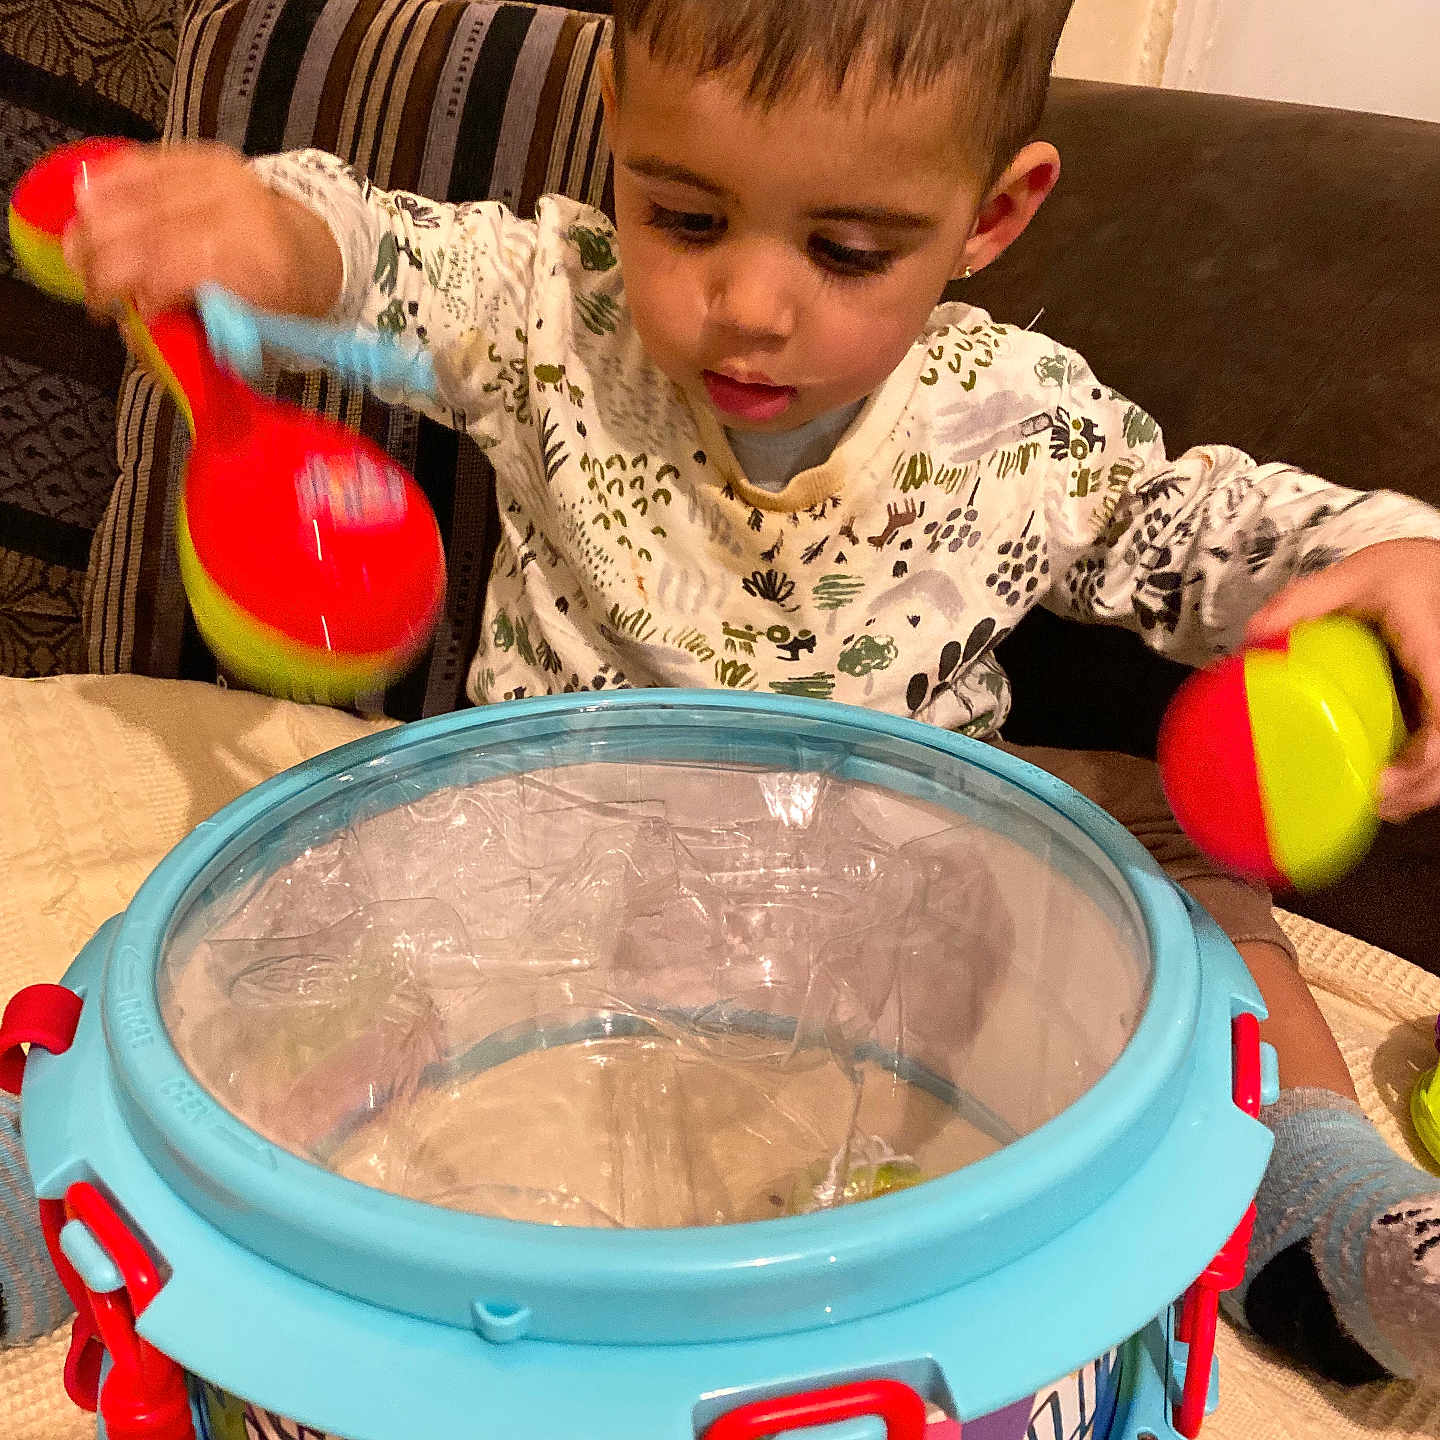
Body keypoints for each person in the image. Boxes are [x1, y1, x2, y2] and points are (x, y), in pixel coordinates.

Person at [26, 0, 1440, 1385]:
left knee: (1184, 875)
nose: (749, 309)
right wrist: (265, 233)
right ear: (616, 131)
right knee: (278, 914)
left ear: (993, 216)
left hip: (897, 917)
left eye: (846, 250)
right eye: (687, 218)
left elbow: (1199, 530)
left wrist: (1388, 556)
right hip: (549, 875)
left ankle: (1321, 1220)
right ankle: (38, 1189)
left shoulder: (1022, 422)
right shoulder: (547, 310)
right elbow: (378, 255)